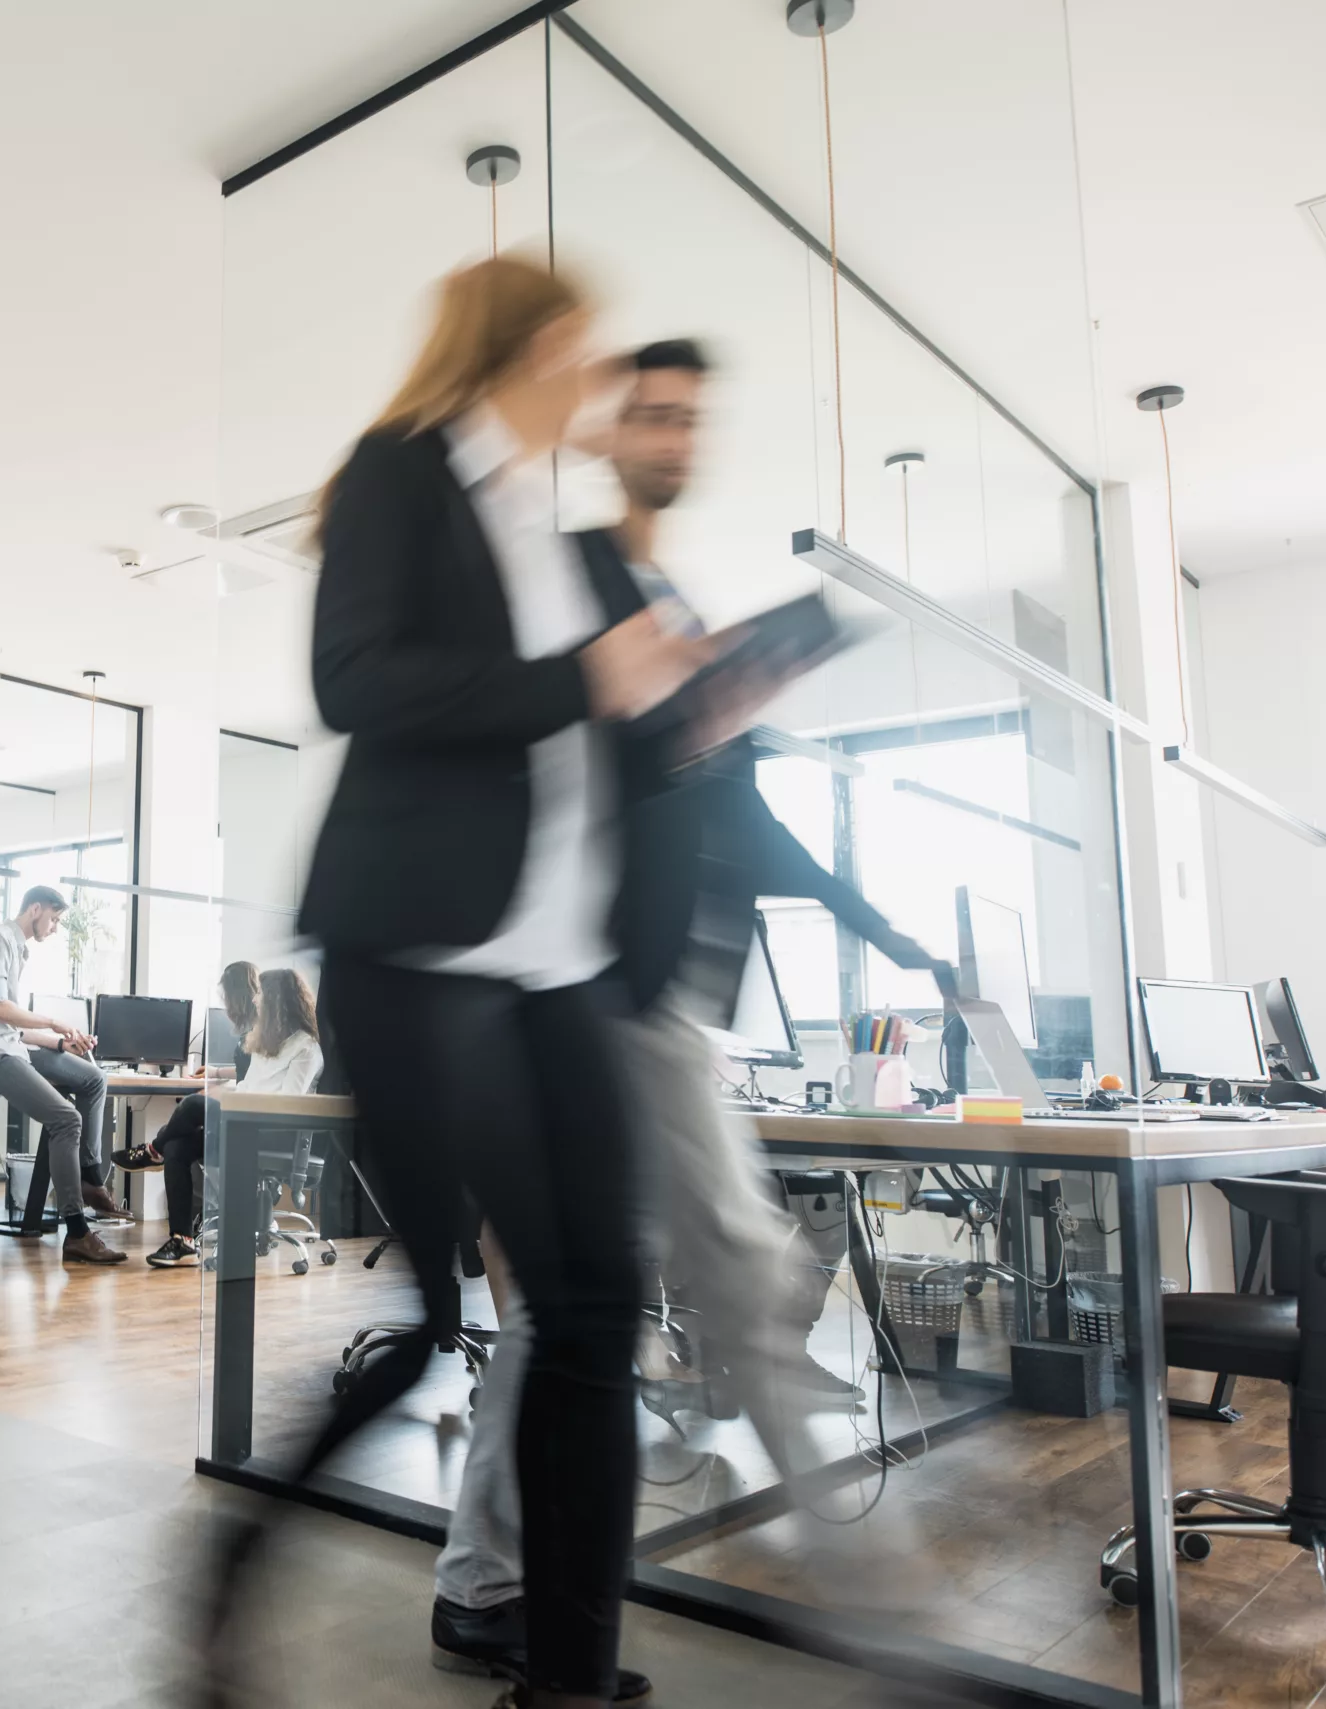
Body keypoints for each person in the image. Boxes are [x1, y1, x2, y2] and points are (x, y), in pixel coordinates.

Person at [197, 255, 708, 1709]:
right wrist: (584, 681)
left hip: (557, 969)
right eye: (586, 352)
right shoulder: (400, 474)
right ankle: (233, 1563)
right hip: (419, 955)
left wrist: (682, 705)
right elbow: (356, 681)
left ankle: (567, 1675)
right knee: (434, 1318)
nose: (600, 384)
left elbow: (578, 743)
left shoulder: (549, 533)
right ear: (532, 346)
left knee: (597, 1308)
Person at [429, 339, 958, 1688]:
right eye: (651, 412)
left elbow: (749, 818)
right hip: (605, 988)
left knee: (582, 1303)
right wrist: (694, 701)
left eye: (688, 416)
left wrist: (885, 929)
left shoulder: (666, 593)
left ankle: (485, 1574)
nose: (673, 432)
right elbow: (570, 762)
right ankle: (871, 1600)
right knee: (734, 1262)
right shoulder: (588, 577)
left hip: (660, 994)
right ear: (609, 432)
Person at [0, 885, 129, 1265]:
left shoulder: (15, 948)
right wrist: (52, 1021)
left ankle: (90, 1177)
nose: (56, 927)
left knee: (94, 1079)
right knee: (66, 1119)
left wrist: (61, 1042)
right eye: (55, 918)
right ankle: (77, 1232)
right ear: (35, 909)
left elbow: (10, 1026)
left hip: (9, 1046)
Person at [119, 965, 321, 1269]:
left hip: (269, 1132)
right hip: (241, 1124)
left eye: (261, 995)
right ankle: (182, 1242)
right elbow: (247, 1086)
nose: (255, 1001)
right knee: (178, 1149)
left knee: (191, 1105)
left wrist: (228, 1101)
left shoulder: (306, 1048)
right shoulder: (267, 1042)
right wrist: (228, 1096)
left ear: (278, 1001)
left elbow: (285, 1106)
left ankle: (152, 1150)